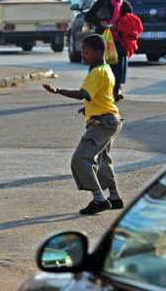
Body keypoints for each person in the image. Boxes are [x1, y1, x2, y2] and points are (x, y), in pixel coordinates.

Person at [43, 34, 123, 215]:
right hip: (110, 119)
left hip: (102, 123)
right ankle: (114, 197)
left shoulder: (96, 72)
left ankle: (99, 199)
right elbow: (100, 97)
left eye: (86, 52)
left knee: (80, 159)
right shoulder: (106, 68)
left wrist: (58, 91)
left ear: (97, 52)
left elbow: (83, 94)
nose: (83, 55)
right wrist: (87, 109)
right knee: (103, 159)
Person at [84, 0, 133, 101]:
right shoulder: (102, 2)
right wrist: (101, 23)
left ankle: (116, 89)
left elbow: (130, 23)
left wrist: (120, 26)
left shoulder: (126, 6)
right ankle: (91, 89)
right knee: (98, 64)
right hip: (102, 39)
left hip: (118, 40)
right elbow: (88, 16)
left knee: (119, 64)